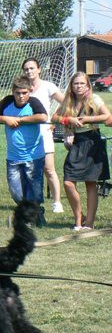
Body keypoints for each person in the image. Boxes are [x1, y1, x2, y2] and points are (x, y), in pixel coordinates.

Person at [52, 72, 110, 230]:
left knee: (91, 184)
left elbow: (107, 116)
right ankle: (79, 216)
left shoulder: (94, 99)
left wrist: (88, 119)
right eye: (75, 84)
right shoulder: (68, 100)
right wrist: (67, 120)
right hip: (77, 144)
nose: (78, 86)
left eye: (82, 84)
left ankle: (88, 224)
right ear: (71, 86)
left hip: (92, 142)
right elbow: (54, 117)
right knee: (68, 182)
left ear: (87, 85)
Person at [0, 76, 49, 226]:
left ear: (30, 91)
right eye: (17, 93)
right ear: (12, 92)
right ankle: (32, 212)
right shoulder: (7, 101)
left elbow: (43, 116)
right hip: (13, 157)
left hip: (34, 155)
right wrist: (6, 119)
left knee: (33, 191)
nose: (21, 96)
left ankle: (31, 216)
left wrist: (20, 120)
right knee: (16, 192)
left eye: (24, 93)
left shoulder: (33, 102)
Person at [23, 58, 66, 214]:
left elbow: (66, 101)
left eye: (32, 68)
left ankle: (57, 202)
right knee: (29, 170)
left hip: (44, 132)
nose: (29, 71)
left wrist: (54, 118)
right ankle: (31, 202)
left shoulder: (48, 86)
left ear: (39, 69)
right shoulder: (23, 88)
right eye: (26, 69)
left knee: (49, 169)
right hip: (26, 134)